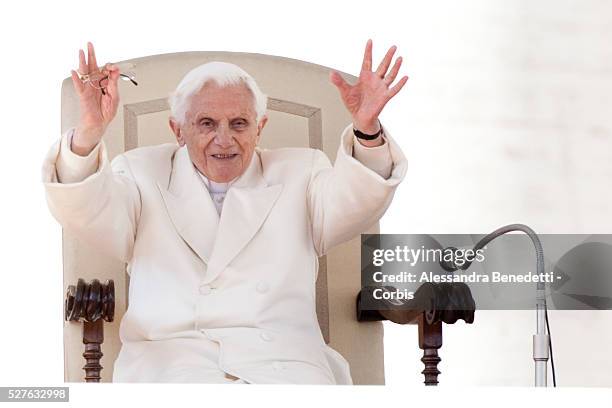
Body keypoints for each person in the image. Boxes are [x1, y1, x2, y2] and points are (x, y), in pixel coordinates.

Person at [42, 40, 408, 384]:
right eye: (206, 124)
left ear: (259, 128)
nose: (224, 139)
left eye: (239, 123)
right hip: (173, 364)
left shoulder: (301, 172)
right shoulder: (141, 172)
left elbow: (357, 201)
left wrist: (367, 131)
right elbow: (87, 211)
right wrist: (88, 134)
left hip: (283, 365)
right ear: (178, 130)